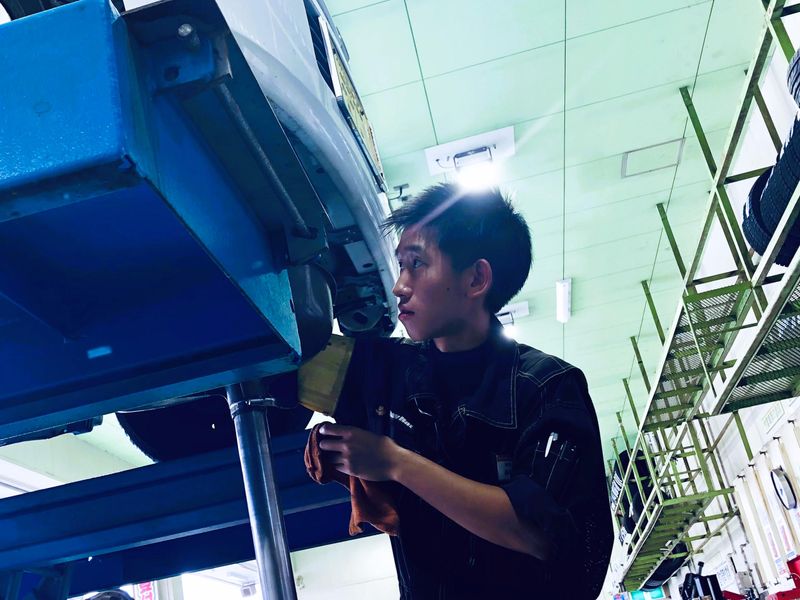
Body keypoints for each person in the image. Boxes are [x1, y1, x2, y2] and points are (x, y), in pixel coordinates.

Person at [317, 183, 613, 599]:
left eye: (417, 264)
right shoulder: (382, 369)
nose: (400, 285)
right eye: (400, 265)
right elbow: (276, 364)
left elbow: (540, 533)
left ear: (476, 279)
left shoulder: (546, 386)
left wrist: (395, 463)